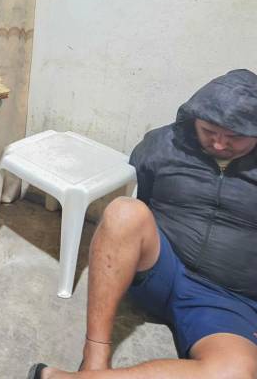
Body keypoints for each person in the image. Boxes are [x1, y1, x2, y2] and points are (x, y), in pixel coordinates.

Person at [29, 69, 257, 379]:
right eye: (209, 131)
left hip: (225, 298)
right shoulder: (163, 144)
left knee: (235, 372)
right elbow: (142, 196)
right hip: (161, 269)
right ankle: (95, 358)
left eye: (235, 137)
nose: (218, 145)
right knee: (124, 211)